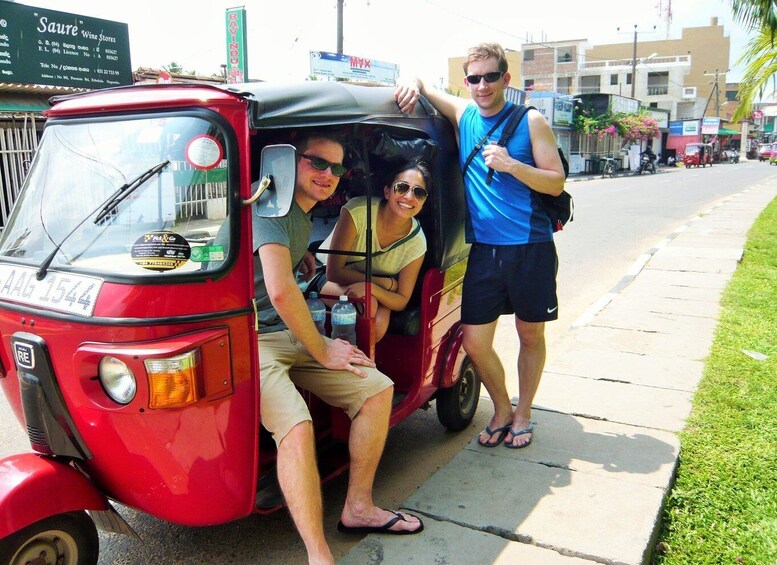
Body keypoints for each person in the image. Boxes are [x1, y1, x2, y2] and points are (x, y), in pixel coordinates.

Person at [253, 129, 423, 565]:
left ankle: (358, 507)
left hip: (288, 331)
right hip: (254, 339)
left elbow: (287, 275)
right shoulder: (268, 209)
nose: (327, 174)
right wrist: (323, 349)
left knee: (377, 388)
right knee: (296, 428)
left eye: (336, 168)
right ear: (289, 162)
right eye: (317, 163)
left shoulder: (300, 216)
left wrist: (300, 260)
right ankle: (318, 555)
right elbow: (281, 293)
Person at [394, 43, 565, 449]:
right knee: (474, 341)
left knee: (529, 336)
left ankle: (523, 415)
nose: (482, 85)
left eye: (491, 77)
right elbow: (421, 82)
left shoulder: (531, 121)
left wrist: (512, 166)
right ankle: (502, 408)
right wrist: (407, 81)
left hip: (531, 247)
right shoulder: (464, 114)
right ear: (466, 81)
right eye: (474, 78)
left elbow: (556, 180)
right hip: (484, 252)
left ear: (507, 78)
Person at [313, 161, 430, 342]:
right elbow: (334, 271)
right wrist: (385, 284)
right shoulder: (358, 211)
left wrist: (372, 288)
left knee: (379, 325)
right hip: (326, 275)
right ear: (387, 191)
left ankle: (361, 365)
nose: (409, 196)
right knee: (368, 305)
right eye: (402, 187)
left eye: (418, 192)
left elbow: (402, 300)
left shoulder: (417, 242)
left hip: (372, 287)